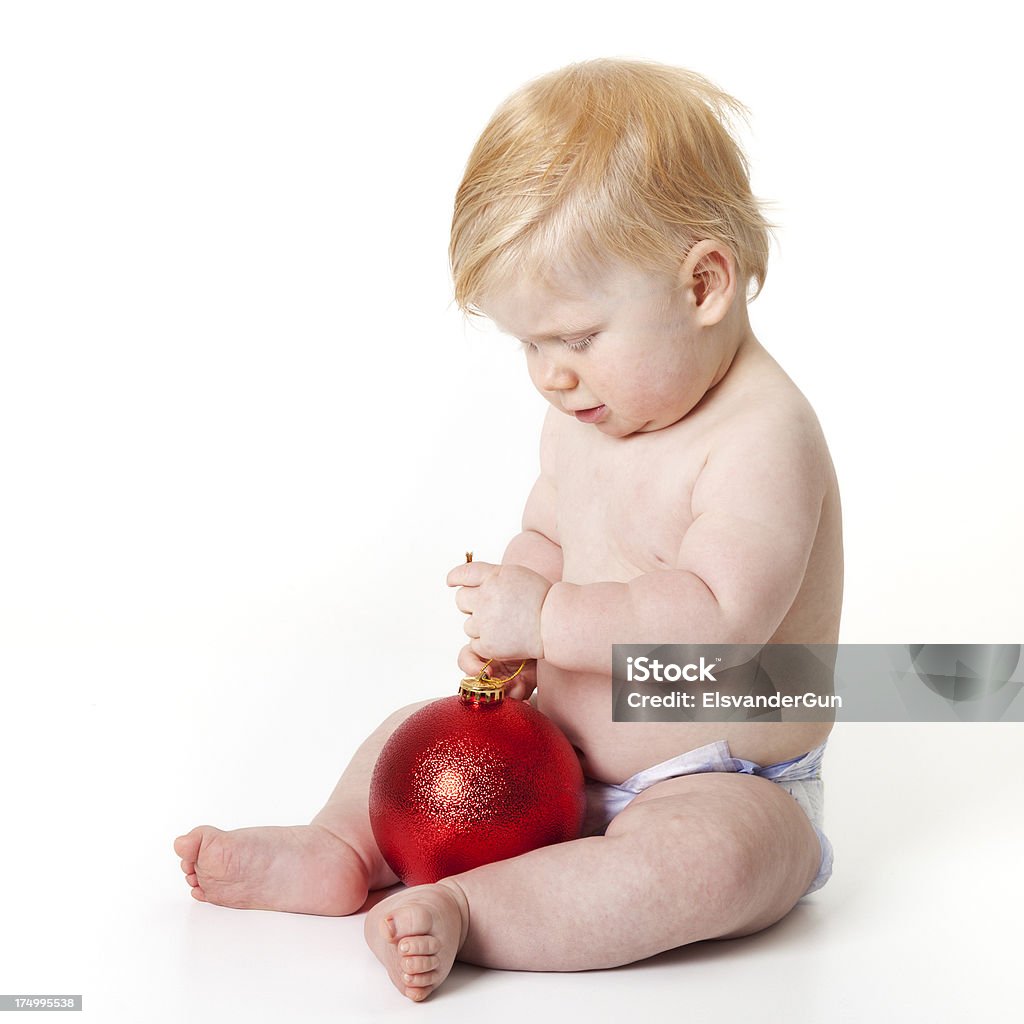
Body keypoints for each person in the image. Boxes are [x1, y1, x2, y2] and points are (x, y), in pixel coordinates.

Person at [174, 58, 843, 1003]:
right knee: (412, 732)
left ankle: (472, 911)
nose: (552, 377)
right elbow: (548, 534)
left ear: (703, 285)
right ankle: (340, 846)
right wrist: (514, 622)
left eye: (574, 337)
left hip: (714, 771)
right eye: (527, 344)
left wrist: (548, 619)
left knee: (727, 862)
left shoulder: (761, 436)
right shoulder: (591, 412)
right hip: (550, 750)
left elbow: (716, 626)